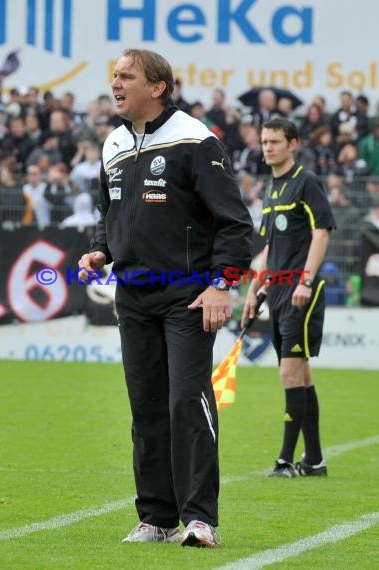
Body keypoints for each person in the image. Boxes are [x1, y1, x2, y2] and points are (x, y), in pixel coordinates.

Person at [78, 48, 253, 547]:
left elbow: (235, 222)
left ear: (157, 87)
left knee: (185, 402)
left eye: (126, 76)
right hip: (132, 296)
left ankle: (200, 519)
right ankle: (157, 518)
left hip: (188, 297)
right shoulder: (112, 144)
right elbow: (108, 215)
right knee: (146, 406)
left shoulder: (196, 140)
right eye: (113, 75)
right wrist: (99, 251)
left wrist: (222, 284)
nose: (115, 83)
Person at [242, 117, 336, 478]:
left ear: (293, 144)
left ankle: (284, 461)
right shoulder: (271, 188)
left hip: (300, 291)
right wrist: (254, 289)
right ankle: (313, 461)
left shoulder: (306, 182)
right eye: (265, 142)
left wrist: (305, 281)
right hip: (277, 289)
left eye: (275, 142)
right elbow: (268, 246)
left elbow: (322, 233)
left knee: (289, 375)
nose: (268, 147)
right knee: (302, 375)